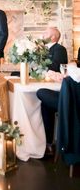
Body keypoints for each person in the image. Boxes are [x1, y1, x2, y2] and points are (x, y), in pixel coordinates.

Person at [36, 27, 68, 156]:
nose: (42, 34)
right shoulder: (44, 50)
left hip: (55, 85)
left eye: (46, 33)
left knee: (44, 98)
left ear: (53, 37)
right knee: (44, 103)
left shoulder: (59, 49)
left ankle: (48, 142)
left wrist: (39, 66)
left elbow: (55, 66)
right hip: (45, 82)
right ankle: (46, 142)